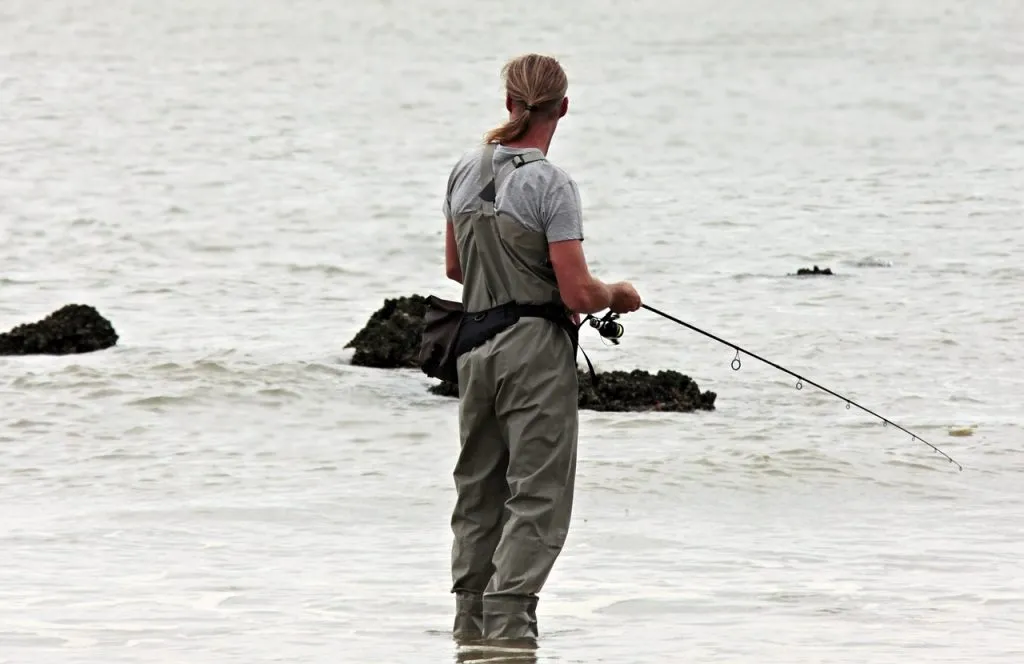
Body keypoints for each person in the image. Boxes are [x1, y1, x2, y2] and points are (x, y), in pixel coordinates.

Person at [440, 53, 642, 647]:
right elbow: (579, 291)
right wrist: (620, 295)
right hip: (533, 352)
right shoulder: (550, 183)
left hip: (473, 349)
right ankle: (508, 626)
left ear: (509, 102)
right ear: (564, 108)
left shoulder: (462, 170)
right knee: (537, 494)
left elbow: (456, 268)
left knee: (478, 491)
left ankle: (469, 627)